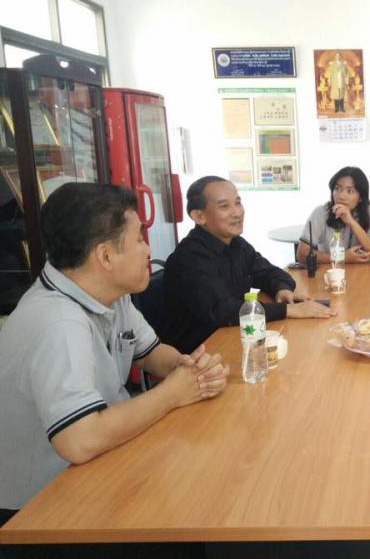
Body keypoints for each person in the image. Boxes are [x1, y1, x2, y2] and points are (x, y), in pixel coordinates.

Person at [0, 183, 229, 526]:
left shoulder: (107, 293)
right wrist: (173, 393)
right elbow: (80, 439)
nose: (147, 249)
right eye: (138, 239)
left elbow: (151, 353)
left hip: (99, 465)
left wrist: (188, 368)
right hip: (39, 510)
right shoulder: (58, 322)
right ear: (105, 256)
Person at [161, 176, 335, 354]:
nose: (237, 213)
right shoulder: (189, 258)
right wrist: (287, 310)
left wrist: (281, 289)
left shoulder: (236, 244)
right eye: (224, 206)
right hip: (198, 352)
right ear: (199, 216)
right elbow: (223, 310)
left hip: (236, 334)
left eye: (238, 203)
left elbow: (269, 272)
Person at [296, 166, 370, 264]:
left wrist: (352, 222)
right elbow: (301, 254)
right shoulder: (321, 212)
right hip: (331, 271)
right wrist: (341, 257)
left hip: (364, 271)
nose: (341, 196)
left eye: (350, 191)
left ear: (361, 197)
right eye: (337, 188)